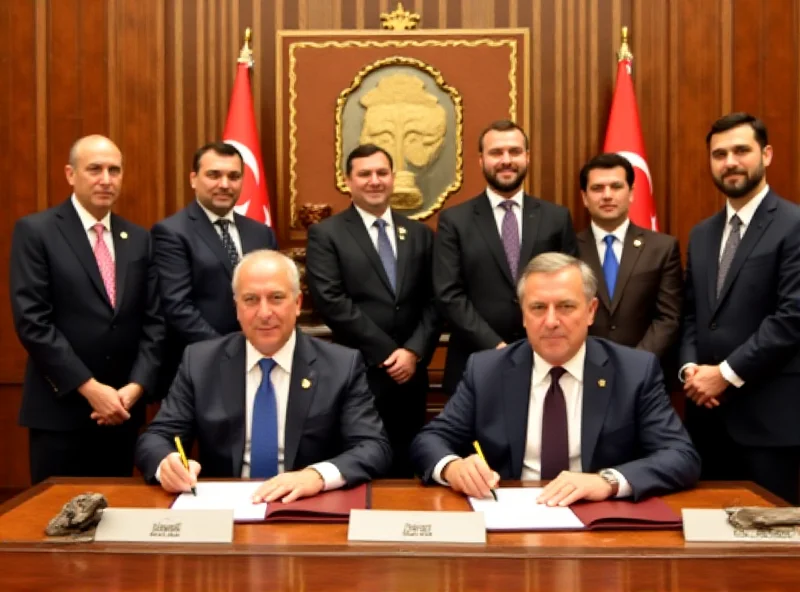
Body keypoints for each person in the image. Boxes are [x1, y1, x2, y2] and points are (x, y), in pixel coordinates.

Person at [411, 253, 700, 504]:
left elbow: (680, 456)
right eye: (538, 308)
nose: (551, 321)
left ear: (590, 311)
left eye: (566, 306)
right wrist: (453, 467)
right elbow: (431, 439)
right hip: (509, 515)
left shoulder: (634, 370)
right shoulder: (487, 369)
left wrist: (607, 482)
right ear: (523, 315)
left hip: (601, 523)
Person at [135, 250, 392, 503]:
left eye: (276, 297)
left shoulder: (340, 365)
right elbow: (157, 437)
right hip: (224, 509)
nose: (264, 312)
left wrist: (317, 475)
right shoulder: (201, 361)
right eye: (251, 300)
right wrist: (166, 465)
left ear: (298, 304)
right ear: (237, 307)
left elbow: (372, 447)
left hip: (305, 506)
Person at [9, 134, 164, 484]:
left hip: (123, 413)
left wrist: (137, 386)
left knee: (117, 525)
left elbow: (155, 322)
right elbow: (33, 322)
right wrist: (90, 388)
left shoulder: (139, 238)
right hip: (61, 412)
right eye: (94, 169)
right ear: (70, 174)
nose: (106, 179)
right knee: (59, 527)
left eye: (114, 170)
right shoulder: (37, 231)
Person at [680, 112, 800, 504]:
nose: (730, 162)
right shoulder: (701, 234)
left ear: (766, 155)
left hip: (770, 424)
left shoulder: (793, 224)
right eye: (719, 154)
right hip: (706, 419)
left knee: (772, 550)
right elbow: (692, 315)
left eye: (741, 150)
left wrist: (726, 374)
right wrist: (691, 370)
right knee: (707, 543)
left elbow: (791, 319)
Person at [305, 144, 440, 477]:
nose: (374, 181)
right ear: (348, 182)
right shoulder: (327, 234)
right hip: (358, 371)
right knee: (361, 461)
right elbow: (331, 300)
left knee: (410, 464)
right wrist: (388, 352)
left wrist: (412, 352)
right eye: (364, 174)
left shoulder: (421, 234)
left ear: (393, 178)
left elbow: (436, 300)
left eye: (382, 173)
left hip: (411, 376)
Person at [433, 120, 578, 396]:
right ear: (481, 160)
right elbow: (448, 293)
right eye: (496, 153)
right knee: (475, 441)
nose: (506, 160)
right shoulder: (455, 220)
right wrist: (496, 346)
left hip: (545, 359)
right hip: (475, 361)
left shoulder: (556, 218)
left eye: (514, 151)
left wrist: (536, 344)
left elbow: (571, 287)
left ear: (527, 157)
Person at [151, 142, 277, 396]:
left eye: (234, 176)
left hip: (261, 362)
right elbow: (177, 306)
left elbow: (274, 294)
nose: (224, 184)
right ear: (193, 179)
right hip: (203, 366)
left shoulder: (260, 233)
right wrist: (228, 351)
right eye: (214, 175)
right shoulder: (172, 232)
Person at [576, 153, 682, 370]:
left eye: (616, 187)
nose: (607, 195)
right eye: (597, 188)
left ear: (631, 193)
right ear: (584, 198)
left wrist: (635, 364)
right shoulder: (568, 249)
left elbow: (668, 318)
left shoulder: (662, 248)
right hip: (584, 371)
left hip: (644, 372)